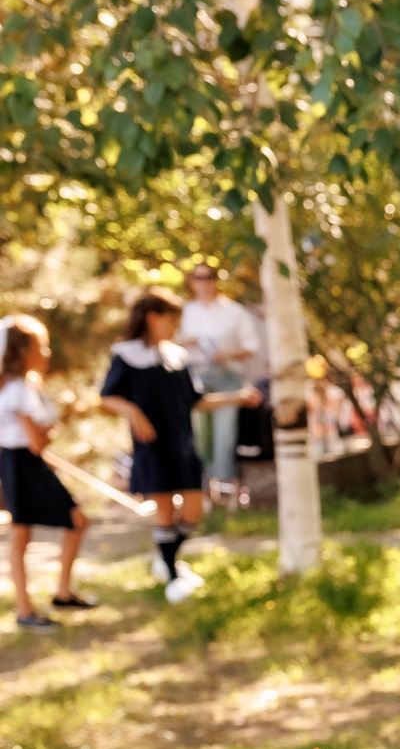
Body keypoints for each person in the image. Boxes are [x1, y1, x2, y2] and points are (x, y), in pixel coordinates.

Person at [99, 290, 261, 603]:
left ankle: (166, 558)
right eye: (174, 320)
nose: (178, 327)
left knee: (194, 509)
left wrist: (238, 397)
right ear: (153, 318)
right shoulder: (126, 355)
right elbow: (107, 396)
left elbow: (196, 401)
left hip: (183, 444)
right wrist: (133, 412)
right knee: (164, 510)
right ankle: (173, 579)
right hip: (152, 446)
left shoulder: (178, 357)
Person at [0, 315, 90, 630]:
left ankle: (61, 593)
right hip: (21, 464)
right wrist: (53, 428)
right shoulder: (17, 389)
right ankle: (26, 608)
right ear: (26, 350)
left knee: (68, 523)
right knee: (24, 533)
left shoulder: (23, 386)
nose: (48, 352)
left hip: (22, 462)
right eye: (43, 345)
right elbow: (36, 443)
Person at [178, 264, 261, 506]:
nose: (203, 282)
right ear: (191, 281)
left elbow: (251, 347)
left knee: (225, 436)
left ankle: (229, 493)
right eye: (197, 278)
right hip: (195, 376)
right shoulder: (184, 311)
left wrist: (227, 354)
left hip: (228, 377)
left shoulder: (234, 311)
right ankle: (204, 493)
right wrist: (187, 341)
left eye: (208, 277)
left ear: (216, 280)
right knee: (199, 436)